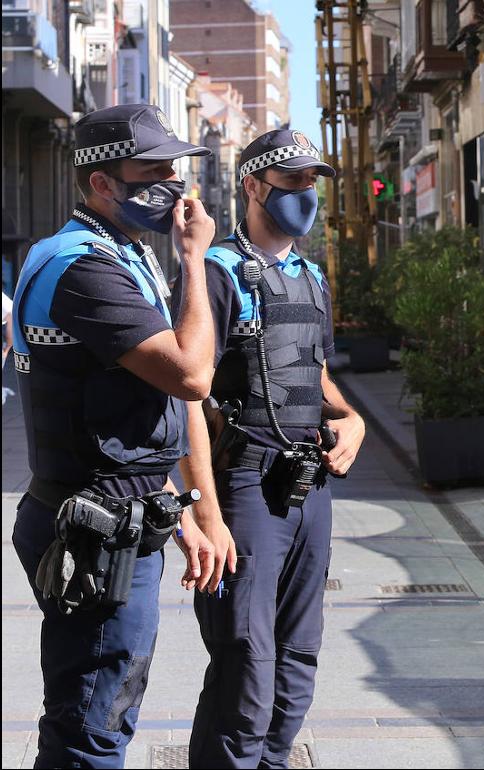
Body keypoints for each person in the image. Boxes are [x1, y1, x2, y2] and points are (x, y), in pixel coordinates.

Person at [9, 103, 220, 768]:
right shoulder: (83, 267)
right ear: (102, 183)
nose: (173, 183)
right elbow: (190, 375)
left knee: (98, 709)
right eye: (152, 169)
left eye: (175, 167)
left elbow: (118, 414)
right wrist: (195, 261)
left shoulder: (118, 255)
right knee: (91, 727)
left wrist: (179, 509)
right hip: (92, 532)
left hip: (113, 514)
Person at [180, 128, 365, 767]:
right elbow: (186, 389)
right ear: (252, 186)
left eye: (312, 183)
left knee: (299, 656)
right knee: (246, 661)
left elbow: (309, 370)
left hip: (308, 484)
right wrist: (202, 508)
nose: (305, 195)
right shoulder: (219, 273)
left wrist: (353, 420)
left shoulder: (310, 276)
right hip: (247, 486)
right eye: (291, 182)